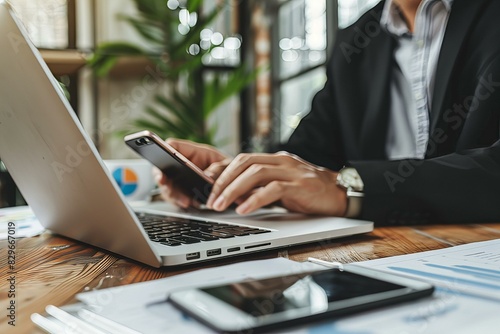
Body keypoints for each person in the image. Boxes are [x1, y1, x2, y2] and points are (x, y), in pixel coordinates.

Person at [155, 0, 500, 225]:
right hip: (381, 250)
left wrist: (349, 187)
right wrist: (240, 173)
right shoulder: (357, 40)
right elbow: (309, 154)